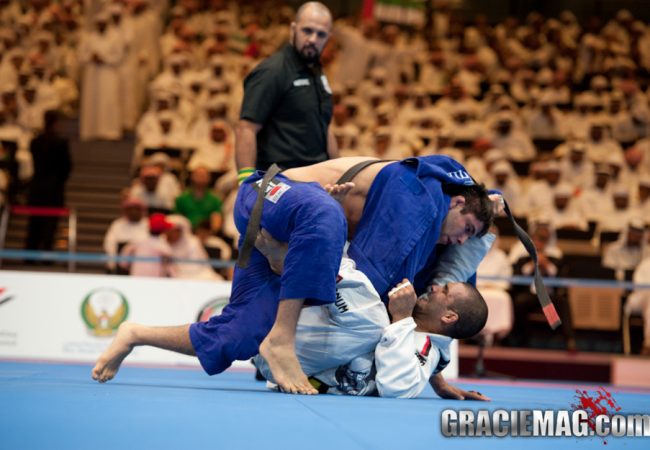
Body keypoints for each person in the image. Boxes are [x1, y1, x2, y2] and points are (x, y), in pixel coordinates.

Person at [93, 155, 495, 395]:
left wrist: (437, 378)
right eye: (468, 228)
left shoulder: (426, 241)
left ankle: (135, 333)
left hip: (289, 237)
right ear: (456, 201)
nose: (462, 240)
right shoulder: (421, 194)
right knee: (326, 213)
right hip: (271, 194)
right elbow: (367, 284)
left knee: (240, 333)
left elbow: (440, 315)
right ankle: (281, 337)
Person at [235, 2, 338, 184]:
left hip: (317, 178)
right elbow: (246, 129)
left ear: (328, 38)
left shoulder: (317, 71)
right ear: (293, 29)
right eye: (307, 31)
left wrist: (339, 173)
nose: (313, 39)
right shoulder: (272, 71)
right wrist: (246, 183)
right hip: (281, 180)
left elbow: (325, 127)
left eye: (321, 34)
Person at [25, 110, 72, 253]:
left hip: (37, 187)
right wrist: (57, 179)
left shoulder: (35, 141)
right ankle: (45, 254)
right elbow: (66, 167)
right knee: (50, 225)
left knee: (34, 224)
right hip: (54, 189)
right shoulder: (60, 143)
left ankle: (30, 254)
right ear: (56, 123)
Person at [119, 213, 175, 277]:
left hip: (137, 276)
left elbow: (124, 259)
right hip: (153, 278)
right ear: (163, 230)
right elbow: (170, 267)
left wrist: (125, 266)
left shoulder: (138, 239)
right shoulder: (163, 246)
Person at [103, 196, 149, 273]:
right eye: (130, 209)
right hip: (121, 264)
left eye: (137, 209)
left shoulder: (148, 224)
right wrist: (112, 262)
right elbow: (110, 244)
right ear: (125, 211)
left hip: (144, 263)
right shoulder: (117, 224)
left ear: (142, 211)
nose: (134, 212)